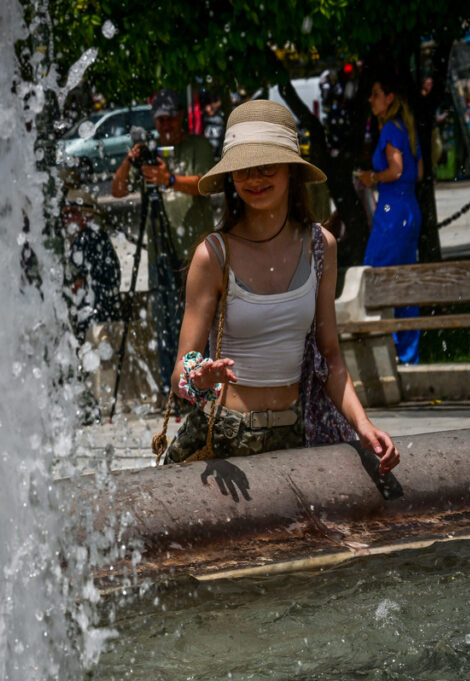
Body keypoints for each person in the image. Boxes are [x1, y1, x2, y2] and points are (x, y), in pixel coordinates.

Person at [160, 100, 399, 474]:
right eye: (243, 170)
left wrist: (363, 425)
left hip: (296, 433)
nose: (255, 178)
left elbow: (331, 359)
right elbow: (180, 372)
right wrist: (198, 377)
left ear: (291, 170)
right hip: (225, 438)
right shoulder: (213, 255)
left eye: (267, 166)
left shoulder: (320, 247)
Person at [111, 88, 214, 399]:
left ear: (181, 117)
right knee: (165, 323)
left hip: (195, 254)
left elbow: (207, 185)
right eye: (160, 120)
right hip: (160, 253)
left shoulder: (197, 146)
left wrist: (170, 180)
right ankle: (172, 390)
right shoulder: (153, 152)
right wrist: (131, 161)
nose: (166, 125)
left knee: (198, 323)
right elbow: (117, 191)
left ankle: (204, 386)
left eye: (171, 118)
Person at [357, 77, 424, 365]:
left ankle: (389, 349)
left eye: (375, 94)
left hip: (391, 209)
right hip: (410, 206)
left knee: (377, 272)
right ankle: (408, 351)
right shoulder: (406, 129)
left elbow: (395, 170)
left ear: (389, 98)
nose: (371, 100)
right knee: (404, 279)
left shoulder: (388, 130)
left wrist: (371, 177)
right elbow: (416, 173)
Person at [61, 187, 121, 341]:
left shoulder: (87, 240)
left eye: (71, 213)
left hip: (94, 321)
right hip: (103, 314)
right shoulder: (95, 237)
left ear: (87, 216)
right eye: (64, 214)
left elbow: (79, 285)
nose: (65, 219)